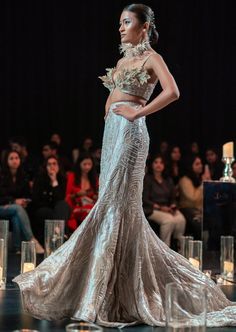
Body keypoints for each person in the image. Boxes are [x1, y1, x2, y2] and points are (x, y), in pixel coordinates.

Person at [13, 3, 236, 328]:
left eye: (127, 22)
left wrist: (136, 112)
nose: (120, 27)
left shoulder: (152, 58)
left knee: (118, 207)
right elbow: (115, 93)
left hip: (131, 133)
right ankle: (107, 290)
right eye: (119, 22)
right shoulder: (122, 60)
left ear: (143, 27)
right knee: (109, 202)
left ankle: (104, 294)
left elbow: (173, 91)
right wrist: (109, 112)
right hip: (114, 132)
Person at [0, 150, 44, 253]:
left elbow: (28, 195)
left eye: (17, 158)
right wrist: (12, 202)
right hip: (2, 207)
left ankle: (17, 248)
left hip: (14, 209)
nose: (15, 161)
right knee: (17, 208)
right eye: (11, 158)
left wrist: (25, 201)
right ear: (6, 161)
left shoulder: (23, 176)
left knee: (16, 215)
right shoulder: (1, 176)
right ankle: (32, 240)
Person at [143, 154, 185, 248]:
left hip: (167, 208)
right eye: (156, 162)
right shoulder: (147, 179)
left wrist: (173, 206)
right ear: (152, 164)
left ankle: (178, 247)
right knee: (168, 220)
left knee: (181, 220)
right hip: (152, 208)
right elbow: (144, 199)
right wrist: (161, 208)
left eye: (161, 162)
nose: (158, 165)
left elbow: (173, 198)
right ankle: (165, 248)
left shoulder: (168, 180)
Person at [31, 156, 71, 245]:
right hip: (43, 209)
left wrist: (54, 181)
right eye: (49, 164)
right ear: (45, 167)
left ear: (58, 166)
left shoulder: (62, 179)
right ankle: (61, 234)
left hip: (58, 209)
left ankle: (58, 233)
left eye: (54, 164)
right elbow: (36, 200)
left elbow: (60, 198)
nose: (52, 166)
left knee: (63, 205)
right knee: (50, 211)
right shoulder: (39, 179)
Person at [66, 153, 98, 232]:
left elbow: (97, 195)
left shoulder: (94, 178)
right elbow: (67, 197)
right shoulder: (72, 176)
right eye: (84, 164)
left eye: (89, 164)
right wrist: (77, 194)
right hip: (75, 206)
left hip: (90, 207)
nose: (87, 167)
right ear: (79, 164)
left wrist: (94, 197)